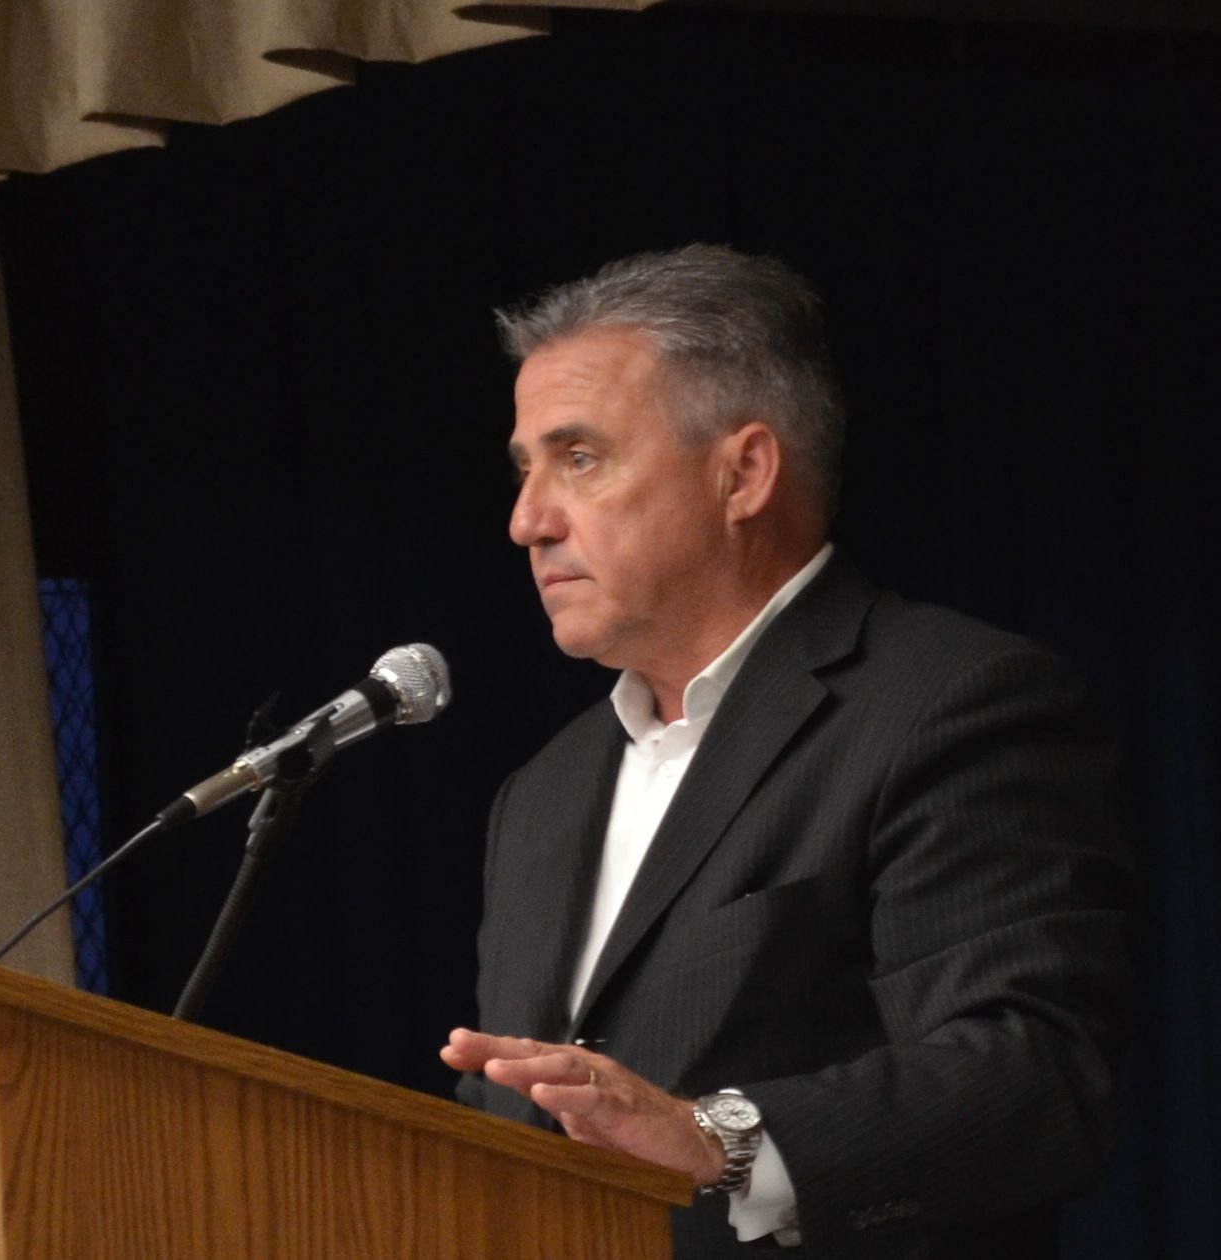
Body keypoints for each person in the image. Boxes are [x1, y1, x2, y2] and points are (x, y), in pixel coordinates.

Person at [441, 246, 1135, 1258]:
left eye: (577, 457)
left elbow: (1029, 1076)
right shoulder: (541, 794)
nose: (525, 520)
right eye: (523, 469)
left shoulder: (949, 702)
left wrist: (711, 1137)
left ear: (742, 473)